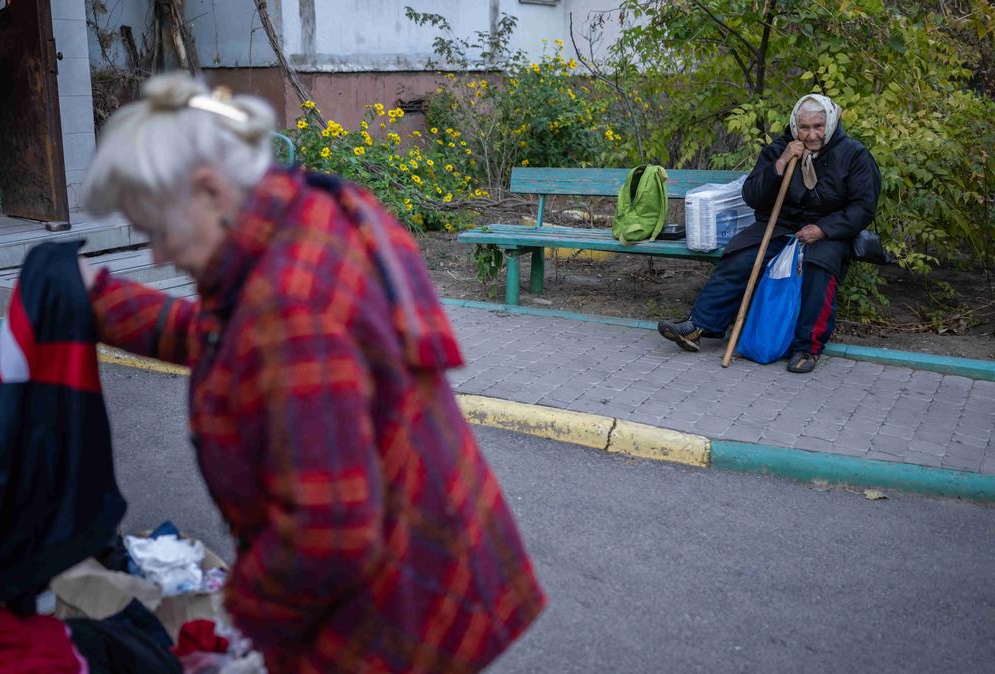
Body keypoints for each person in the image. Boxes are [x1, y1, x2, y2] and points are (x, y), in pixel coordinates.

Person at [77, 73, 545, 673]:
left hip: (394, 615)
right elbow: (231, 342)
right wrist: (103, 301)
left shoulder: (287, 305)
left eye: (156, 230)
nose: (157, 256)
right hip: (427, 562)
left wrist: (240, 614)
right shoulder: (294, 215)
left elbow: (327, 537)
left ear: (210, 191)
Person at [658, 94, 881, 373]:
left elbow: (863, 206)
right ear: (794, 126)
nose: (811, 134)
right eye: (804, 127)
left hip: (830, 230)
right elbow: (752, 195)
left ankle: (807, 348)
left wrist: (824, 229)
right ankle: (699, 325)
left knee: (818, 267)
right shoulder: (779, 149)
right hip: (781, 225)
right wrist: (782, 162)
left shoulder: (854, 155)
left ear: (831, 123)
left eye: (818, 126)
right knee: (741, 256)